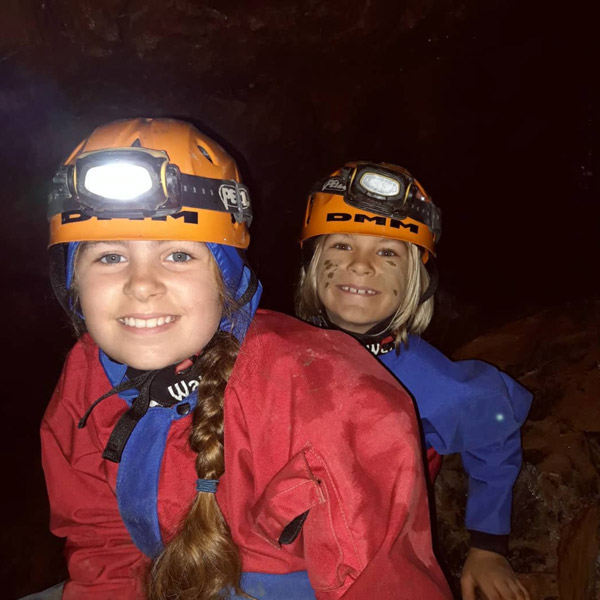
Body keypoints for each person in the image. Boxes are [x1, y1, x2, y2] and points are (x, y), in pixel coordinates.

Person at [39, 119, 452, 600]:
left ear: (227, 277)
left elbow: (381, 582)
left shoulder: (335, 398)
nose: (141, 284)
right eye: (109, 257)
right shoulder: (88, 375)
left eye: (178, 256)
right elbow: (99, 540)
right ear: (71, 283)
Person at [295, 161, 533, 600]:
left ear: (415, 279)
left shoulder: (433, 383)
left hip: (378, 552)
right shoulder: (275, 349)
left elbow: (495, 422)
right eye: (343, 245)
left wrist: (488, 543)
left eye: (388, 252)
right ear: (314, 262)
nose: (361, 266)